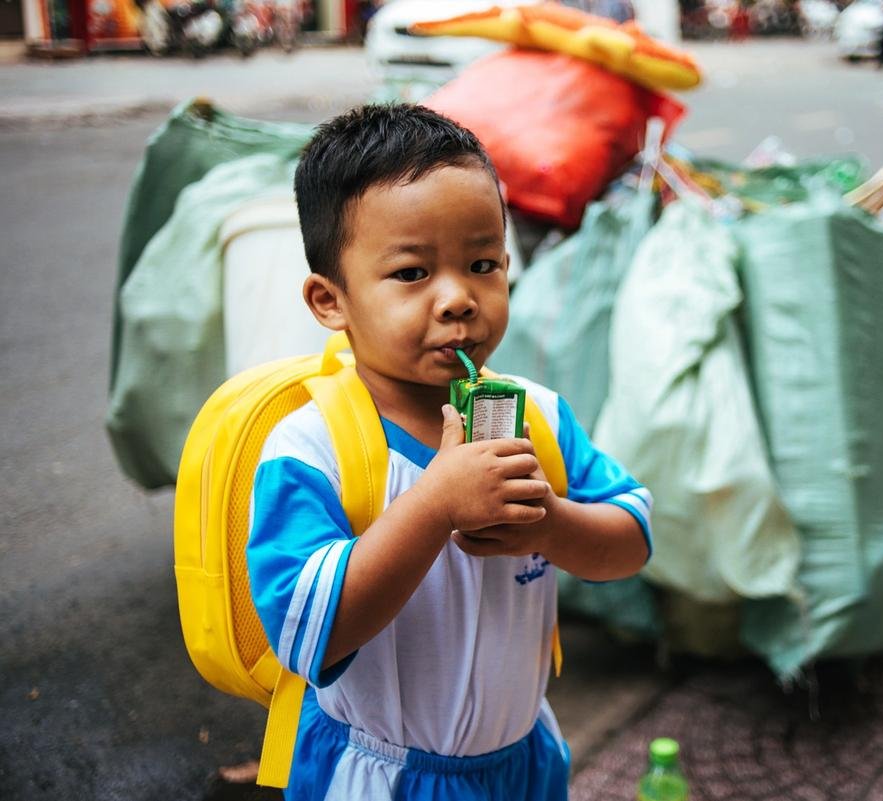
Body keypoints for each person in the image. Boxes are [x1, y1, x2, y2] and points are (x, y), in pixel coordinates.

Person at [247, 104, 654, 801]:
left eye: (483, 263)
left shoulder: (537, 416)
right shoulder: (311, 447)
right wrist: (435, 502)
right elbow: (309, 633)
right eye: (411, 273)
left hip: (523, 760)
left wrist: (552, 523)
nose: (459, 298)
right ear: (329, 300)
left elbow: (632, 540)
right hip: (380, 776)